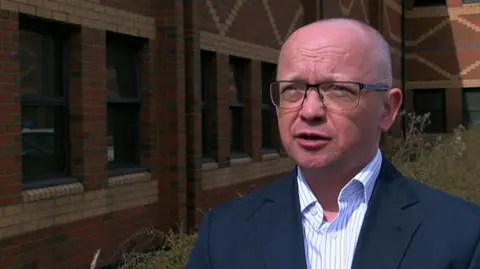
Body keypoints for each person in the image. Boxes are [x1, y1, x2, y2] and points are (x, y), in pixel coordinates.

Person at [186, 18, 480, 269]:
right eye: (293, 89)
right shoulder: (223, 234)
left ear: (388, 109)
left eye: (338, 89)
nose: (309, 110)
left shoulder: (462, 235)